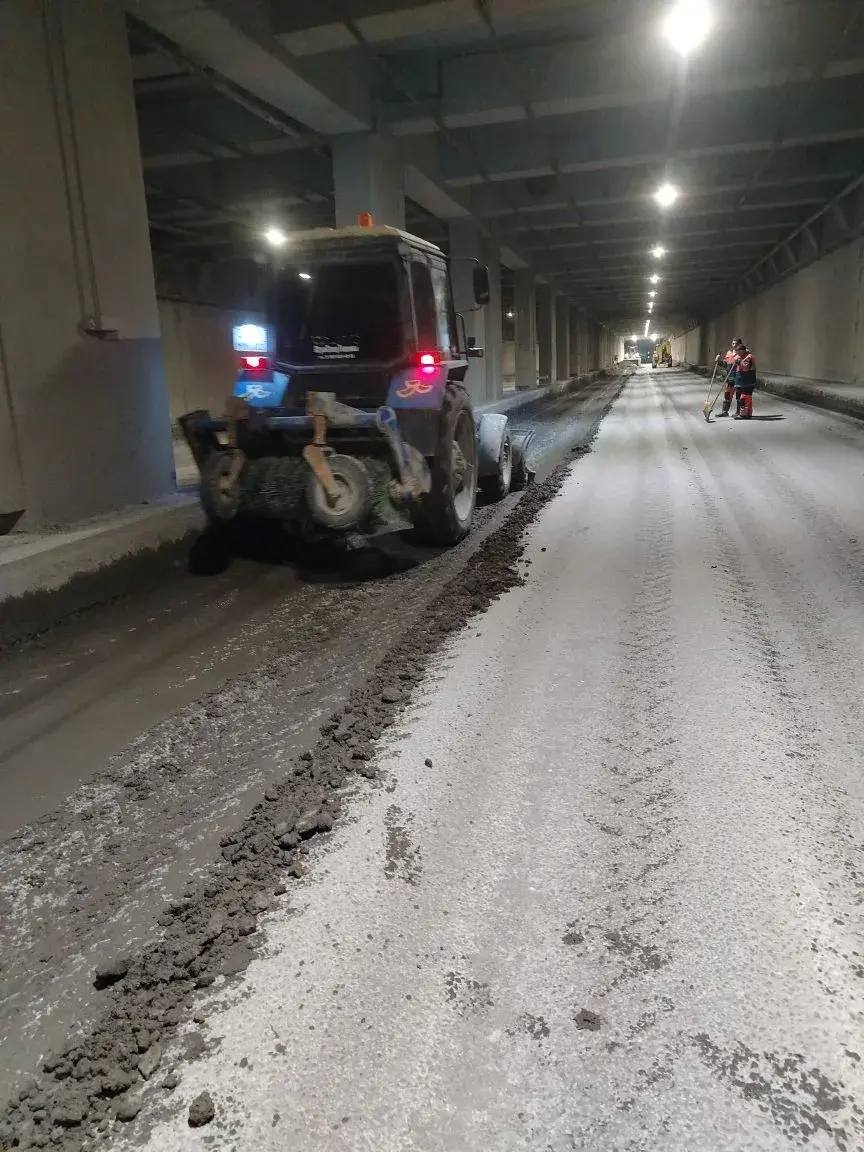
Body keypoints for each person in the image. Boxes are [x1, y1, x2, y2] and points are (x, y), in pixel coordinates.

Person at [715, 338, 742, 417]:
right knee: (727, 395)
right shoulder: (729, 353)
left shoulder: (743, 353)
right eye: (733, 343)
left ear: (740, 344)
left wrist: (739, 362)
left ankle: (739, 412)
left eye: (736, 344)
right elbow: (725, 364)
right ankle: (725, 411)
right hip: (730, 378)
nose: (734, 345)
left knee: (739, 396)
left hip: (739, 378)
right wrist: (718, 361)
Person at [732, 340, 756, 419]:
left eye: (738, 352)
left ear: (742, 351)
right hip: (741, 381)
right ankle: (746, 412)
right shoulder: (741, 357)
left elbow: (746, 368)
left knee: (745, 397)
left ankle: (745, 413)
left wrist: (739, 362)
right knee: (743, 397)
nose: (737, 354)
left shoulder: (749, 357)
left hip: (748, 381)